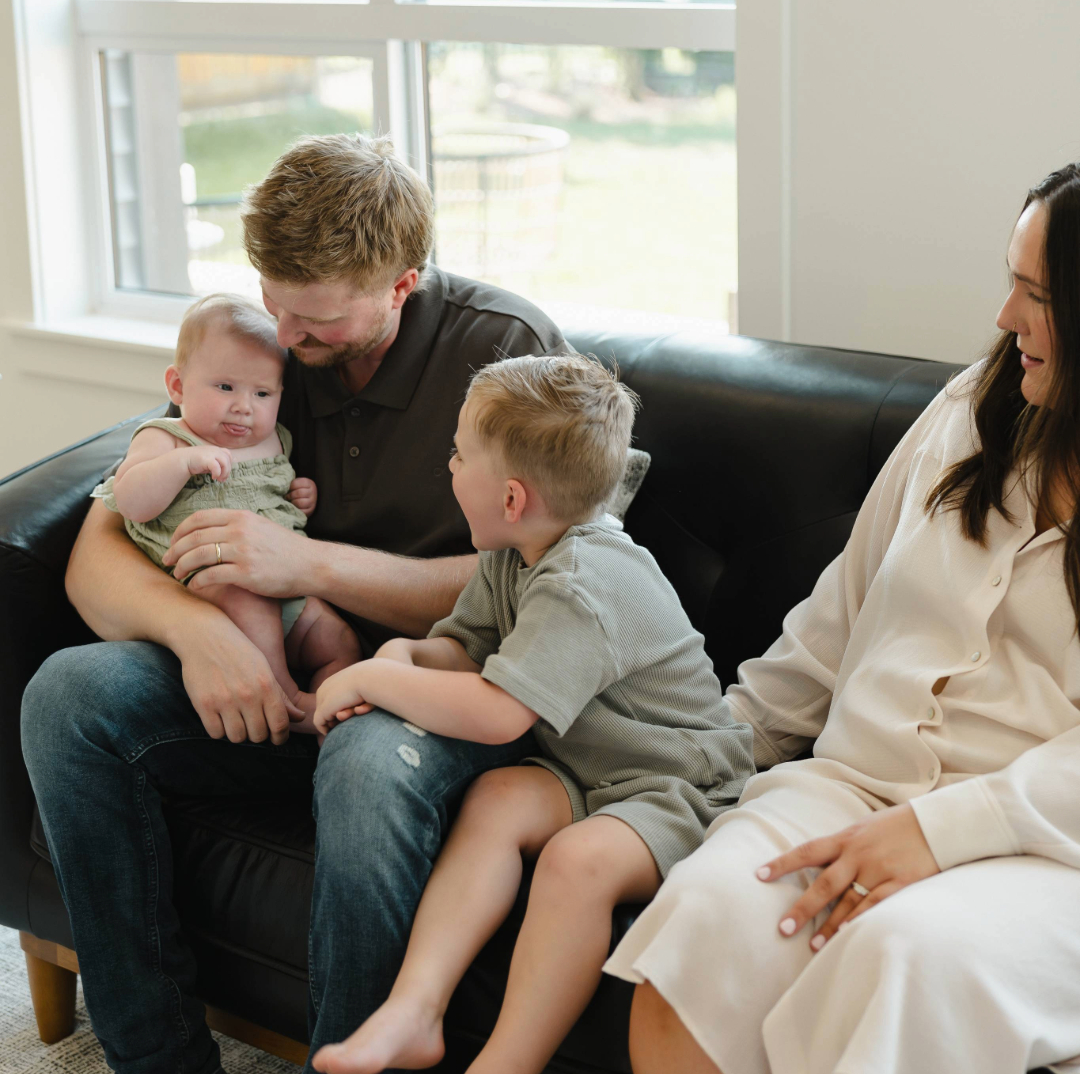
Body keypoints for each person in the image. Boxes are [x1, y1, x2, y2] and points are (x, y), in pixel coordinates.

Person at [20, 133, 569, 1074]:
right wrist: (198, 633)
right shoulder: (261, 354)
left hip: (436, 696)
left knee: (363, 761)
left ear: (401, 284)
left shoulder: (504, 354)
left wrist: (306, 568)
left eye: (315, 321)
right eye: (275, 303)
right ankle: (156, 1059)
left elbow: (557, 579)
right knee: (68, 695)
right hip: (276, 678)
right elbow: (94, 556)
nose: (288, 338)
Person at [611, 164, 1080, 1074]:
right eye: (1010, 281)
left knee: (898, 958)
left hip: (1049, 848)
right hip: (856, 787)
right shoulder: (968, 413)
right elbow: (844, 610)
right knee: (701, 928)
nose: (1003, 317)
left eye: (1037, 295)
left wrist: (942, 833)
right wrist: (711, 743)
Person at [307, 353, 754, 1074]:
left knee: (575, 864)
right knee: (499, 796)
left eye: (458, 454)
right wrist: (399, 656)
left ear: (511, 497)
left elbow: (498, 714)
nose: (447, 465)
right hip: (594, 773)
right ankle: (414, 1010)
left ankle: (506, 1064)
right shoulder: (513, 554)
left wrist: (368, 679)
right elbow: (466, 652)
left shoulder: (584, 581)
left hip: (683, 787)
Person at [93, 292, 360, 729]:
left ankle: (335, 712)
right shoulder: (169, 437)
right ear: (178, 386)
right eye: (225, 387)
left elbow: (272, 493)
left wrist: (299, 493)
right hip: (217, 588)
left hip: (288, 588)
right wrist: (181, 465)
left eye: (262, 392)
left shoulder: (274, 440)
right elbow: (130, 501)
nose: (244, 406)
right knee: (243, 592)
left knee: (340, 640)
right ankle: (284, 697)